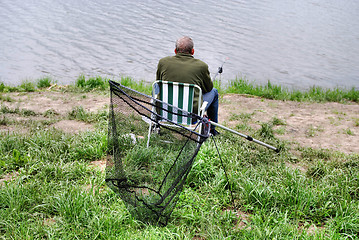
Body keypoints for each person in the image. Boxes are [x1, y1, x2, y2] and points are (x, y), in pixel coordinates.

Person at [156, 36, 220, 136]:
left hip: (165, 111)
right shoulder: (202, 66)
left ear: (175, 51)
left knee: (157, 87)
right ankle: (212, 130)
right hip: (192, 115)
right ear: (192, 51)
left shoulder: (163, 62)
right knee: (214, 92)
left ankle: (156, 124)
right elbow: (208, 88)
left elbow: (158, 83)